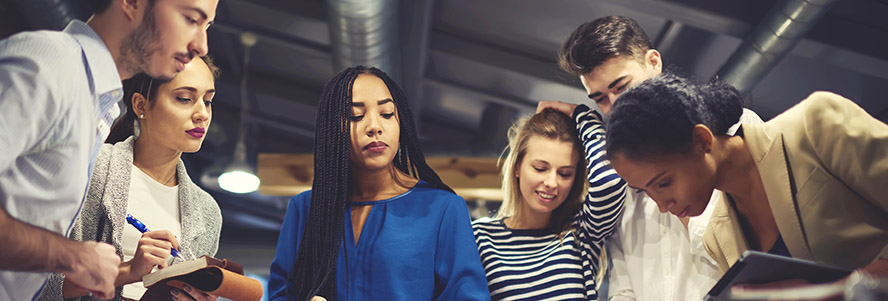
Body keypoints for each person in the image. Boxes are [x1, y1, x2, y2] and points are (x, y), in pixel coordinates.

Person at [0, 0, 217, 299]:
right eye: (191, 19)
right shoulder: (51, 64)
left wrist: (121, 273)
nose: (201, 45)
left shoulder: (97, 100)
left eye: (207, 26)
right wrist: (73, 256)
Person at [537, 15, 762, 300]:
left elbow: (746, 252)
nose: (615, 106)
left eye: (621, 87)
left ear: (653, 62)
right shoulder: (619, 172)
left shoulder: (733, 131)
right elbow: (624, 285)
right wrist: (589, 122)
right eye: (601, 99)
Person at [604, 73, 888, 293]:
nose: (662, 206)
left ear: (702, 140)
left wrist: (844, 289)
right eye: (647, 191)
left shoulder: (814, 125)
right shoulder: (718, 234)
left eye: (663, 183)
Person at [267, 66, 490, 300]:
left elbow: (468, 296)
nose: (374, 126)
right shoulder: (305, 209)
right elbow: (280, 294)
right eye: (355, 116)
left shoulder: (442, 208)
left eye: (386, 114)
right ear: (333, 129)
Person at [36, 55, 222, 301]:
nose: (202, 114)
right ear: (141, 105)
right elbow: (38, 283)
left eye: (207, 101)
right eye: (185, 99)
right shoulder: (91, 169)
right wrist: (127, 271)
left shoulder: (207, 211)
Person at [473, 109, 624, 300]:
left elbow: (610, 181)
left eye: (565, 173)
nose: (552, 183)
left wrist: (580, 113)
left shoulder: (582, 230)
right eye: (540, 168)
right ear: (517, 166)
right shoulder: (480, 237)